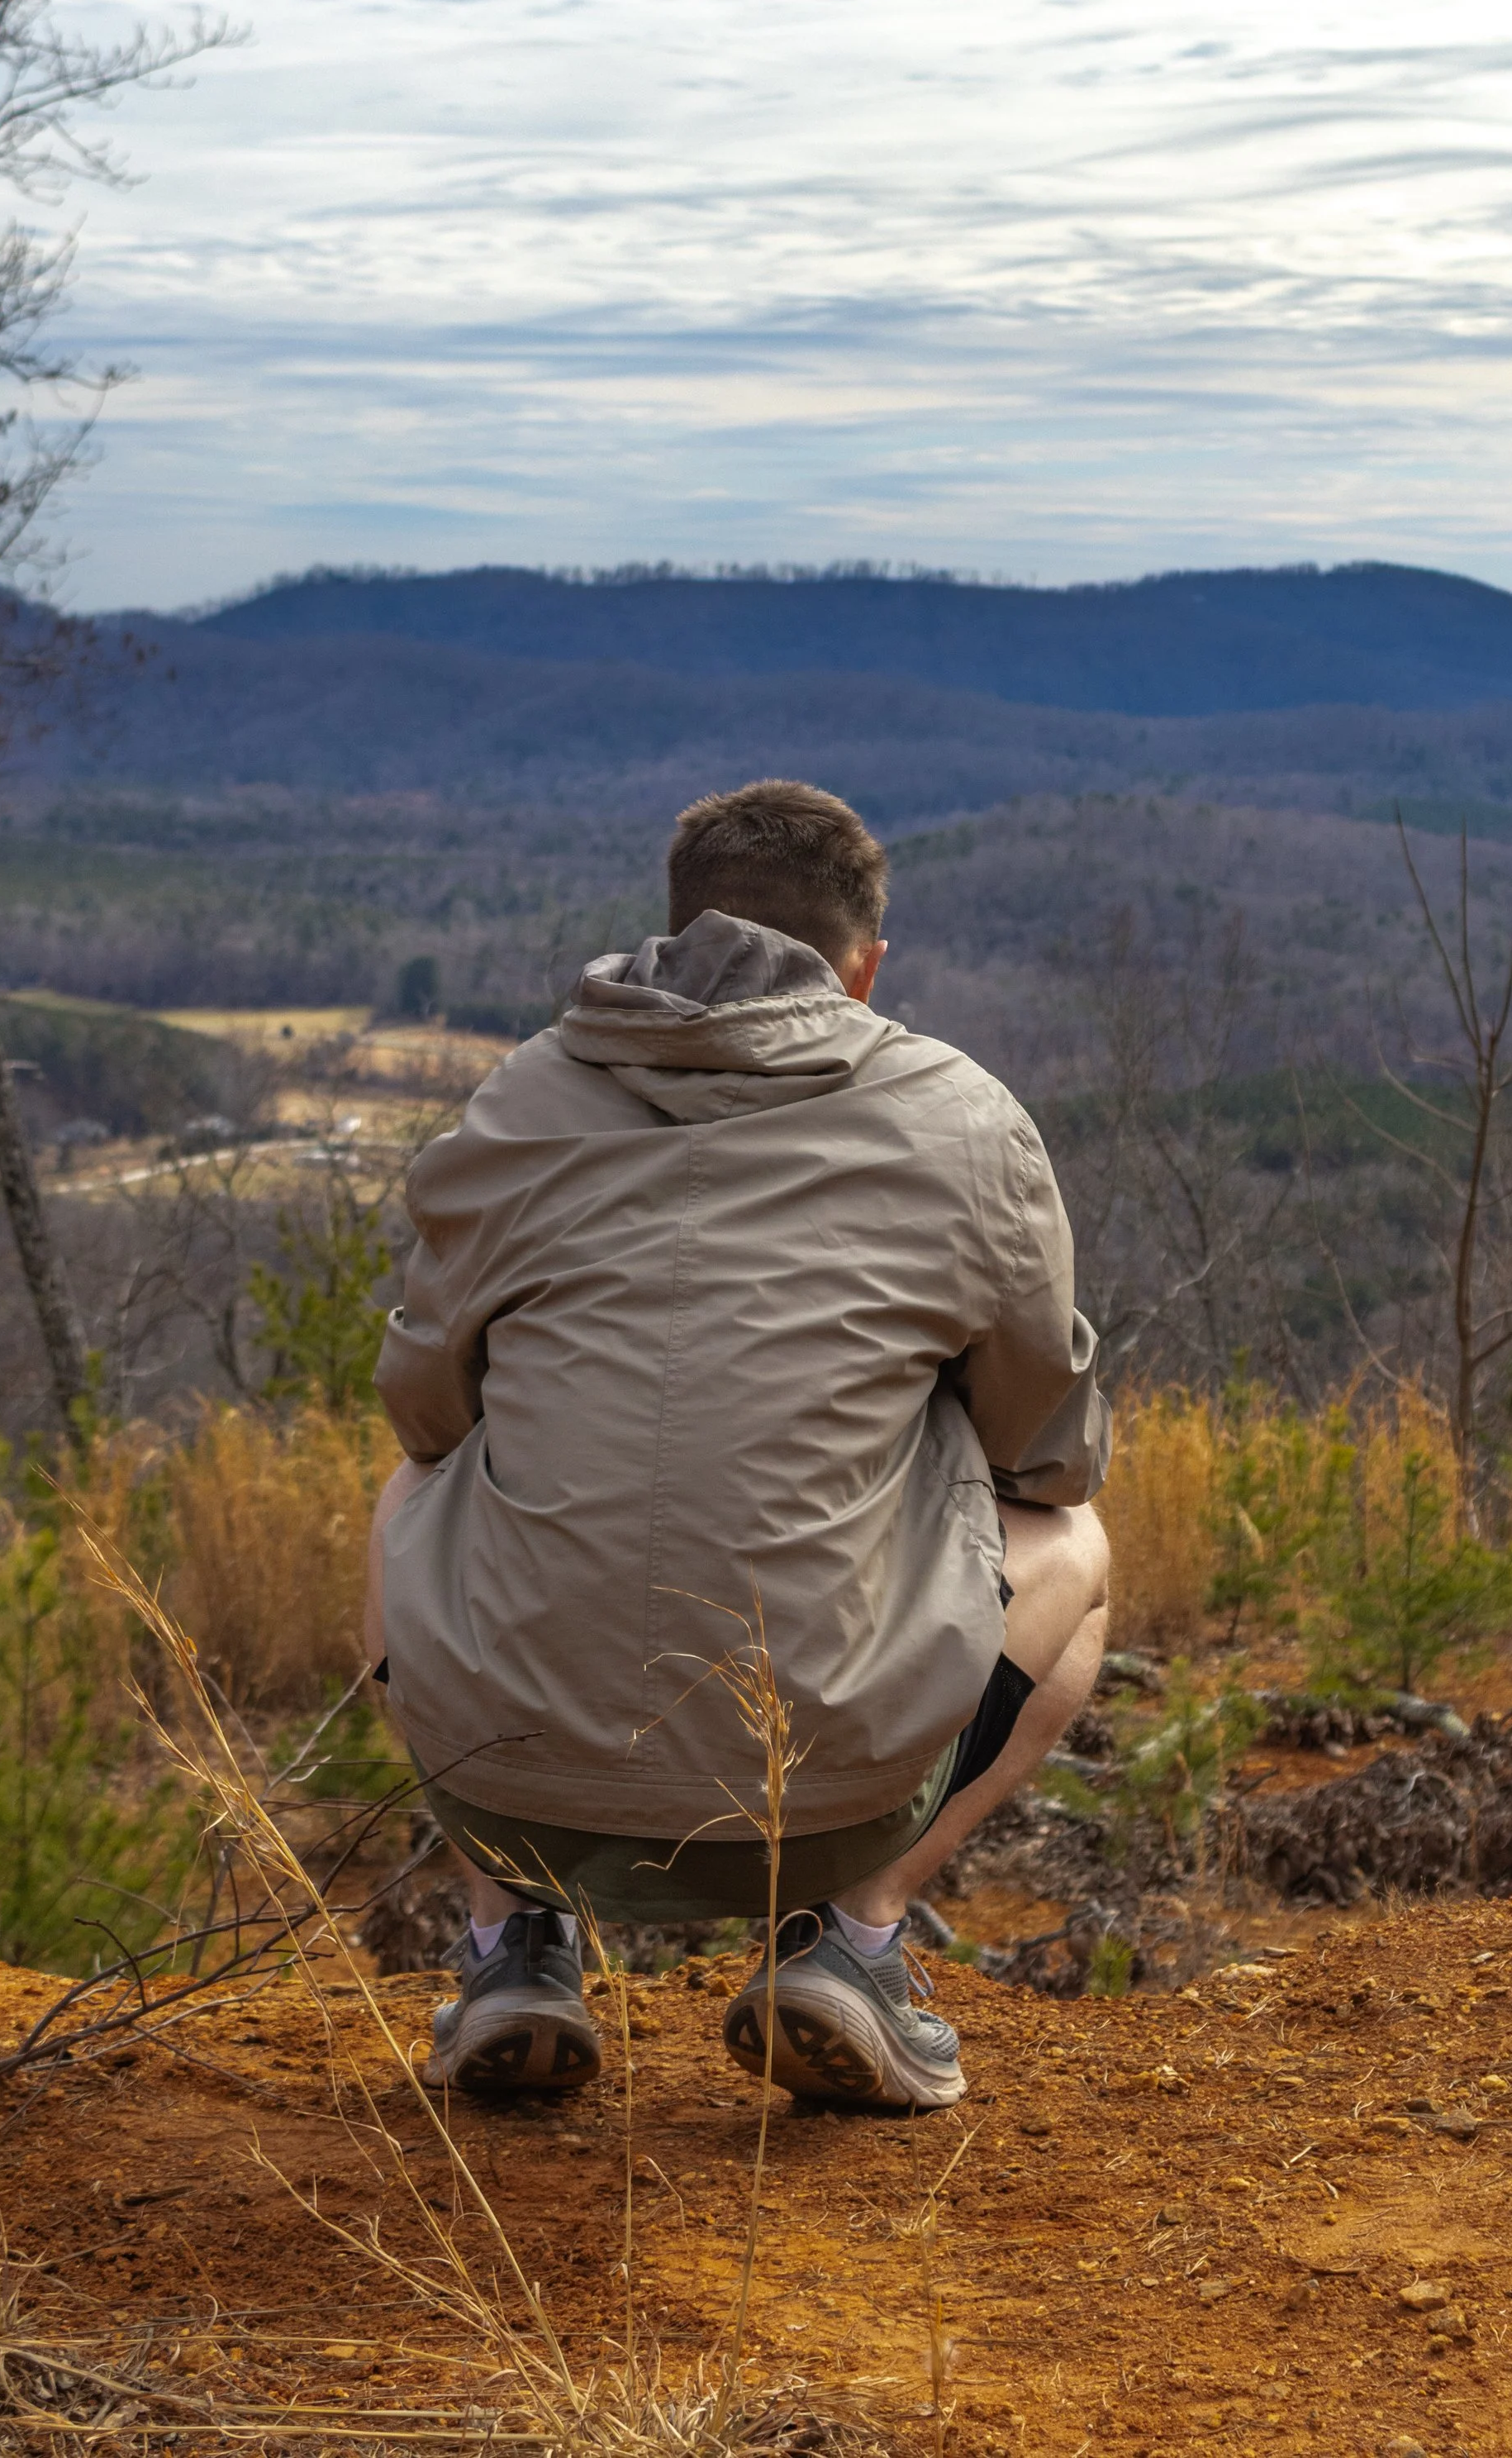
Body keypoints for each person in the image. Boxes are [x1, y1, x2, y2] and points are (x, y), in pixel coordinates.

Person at [365, 777, 1110, 2112]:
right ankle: (851, 1942)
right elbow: (1046, 1456)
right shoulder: (964, 1119)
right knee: (1081, 1547)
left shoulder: (520, 1100)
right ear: (863, 967)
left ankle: (512, 1946)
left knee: (412, 1490)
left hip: (517, 1783)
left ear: (670, 936)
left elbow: (425, 1414)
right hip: (834, 1788)